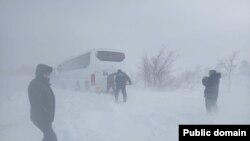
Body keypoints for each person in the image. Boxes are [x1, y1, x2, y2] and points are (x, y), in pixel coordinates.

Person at [28, 64, 57, 141]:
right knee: (52, 137)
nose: (48, 76)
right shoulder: (35, 84)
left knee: (48, 137)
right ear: (40, 73)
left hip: (46, 117)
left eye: (48, 74)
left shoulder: (44, 84)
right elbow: (36, 103)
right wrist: (45, 114)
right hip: (40, 118)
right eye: (46, 74)